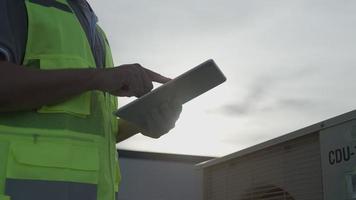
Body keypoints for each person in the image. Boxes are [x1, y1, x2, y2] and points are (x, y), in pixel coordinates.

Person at [0, 0, 182, 200]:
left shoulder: (97, 34)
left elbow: (93, 131)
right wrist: (95, 78)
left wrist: (143, 122)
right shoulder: (18, 4)